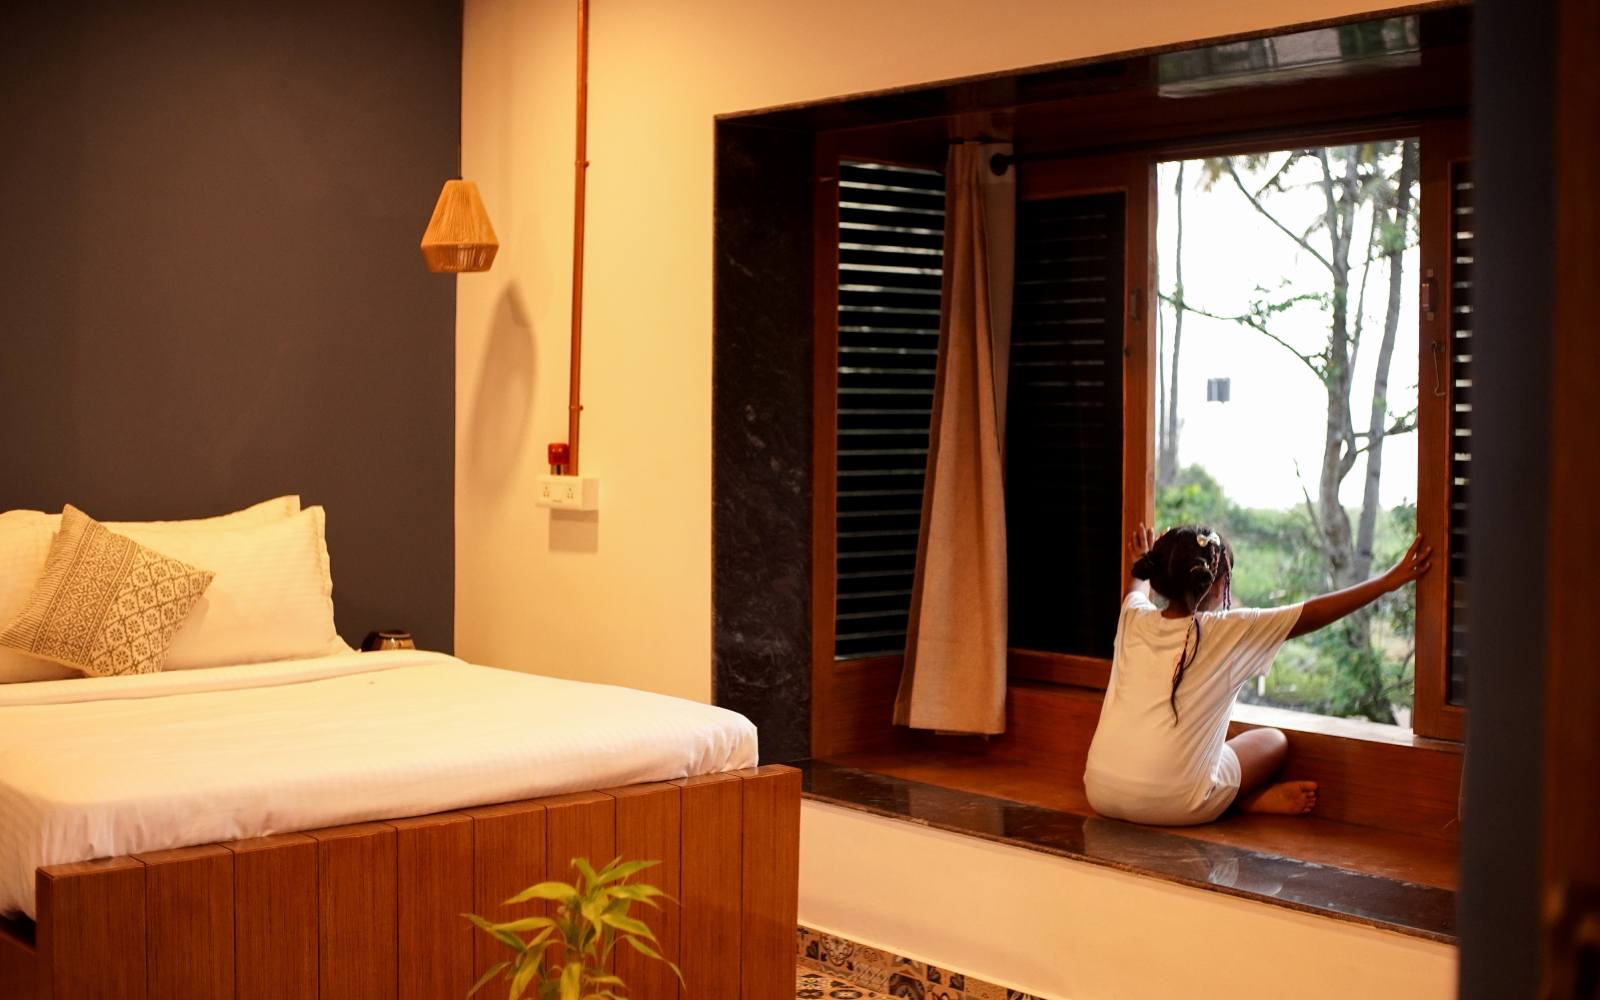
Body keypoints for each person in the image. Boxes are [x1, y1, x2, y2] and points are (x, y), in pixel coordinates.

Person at [1083, 523, 1432, 826]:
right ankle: (1242, 801)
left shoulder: (1132, 617)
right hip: (1179, 805)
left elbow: (1135, 590)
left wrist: (1140, 562)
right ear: (1216, 586)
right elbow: (1312, 613)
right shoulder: (1228, 629)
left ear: (1157, 577)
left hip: (1100, 792)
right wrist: (1385, 582)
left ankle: (1231, 799)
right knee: (1273, 741)